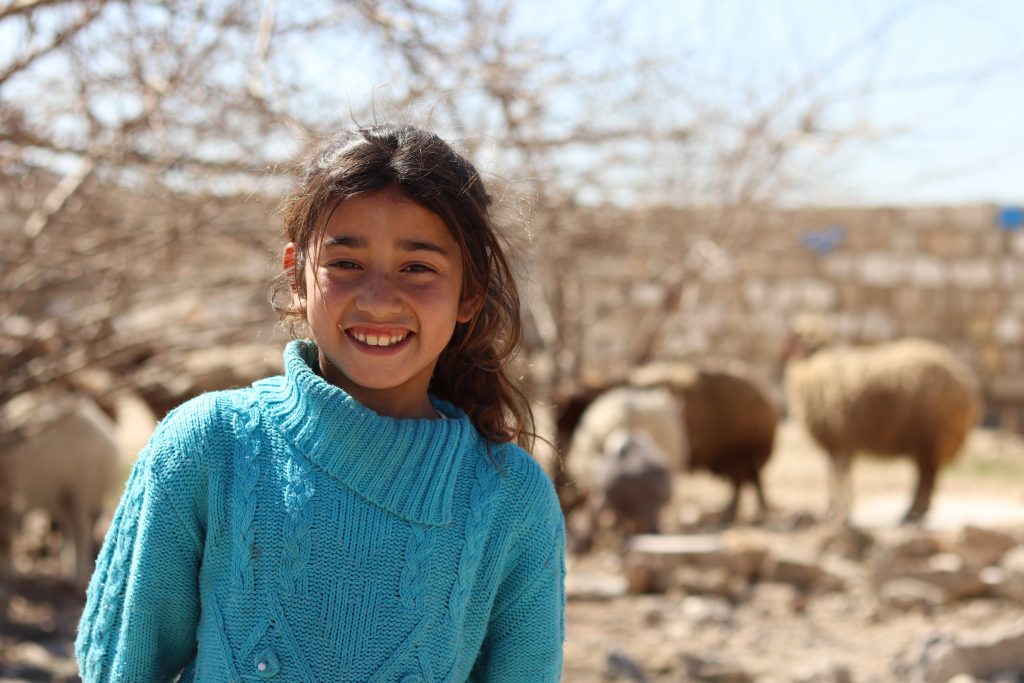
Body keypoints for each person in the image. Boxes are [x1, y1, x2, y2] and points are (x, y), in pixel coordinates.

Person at [75, 124, 566, 682]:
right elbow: (120, 668)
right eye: (346, 263)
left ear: (470, 292)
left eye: (418, 267)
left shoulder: (510, 499)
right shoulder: (208, 448)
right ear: (297, 274)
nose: (379, 299)